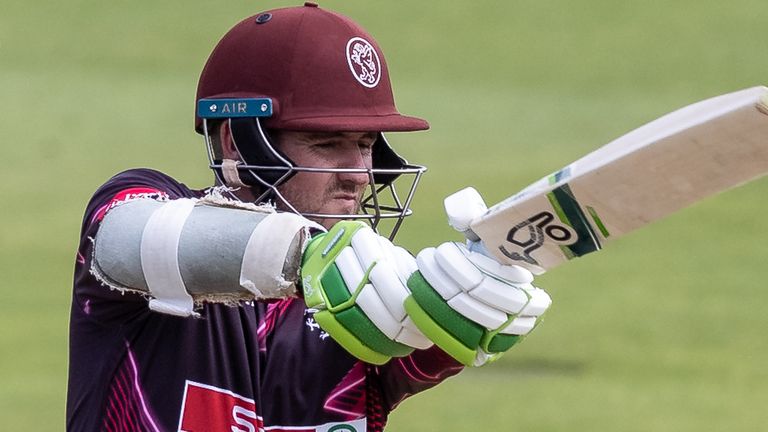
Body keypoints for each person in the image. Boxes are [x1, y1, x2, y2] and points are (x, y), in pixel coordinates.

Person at [66, 3, 552, 431]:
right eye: (326, 144)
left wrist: (476, 298)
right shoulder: (147, 209)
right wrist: (304, 255)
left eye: (364, 146)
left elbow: (423, 339)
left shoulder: (362, 308)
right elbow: (125, 241)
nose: (359, 176)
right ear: (238, 143)